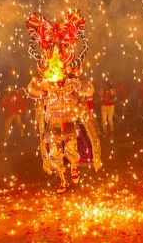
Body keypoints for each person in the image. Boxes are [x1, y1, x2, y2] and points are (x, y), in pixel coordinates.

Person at [25, 10, 101, 193]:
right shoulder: (45, 84)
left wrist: (75, 87)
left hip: (68, 121)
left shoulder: (72, 82)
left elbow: (89, 89)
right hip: (52, 123)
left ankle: (74, 167)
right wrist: (44, 88)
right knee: (55, 153)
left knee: (71, 149)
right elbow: (31, 90)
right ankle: (62, 180)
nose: (56, 60)